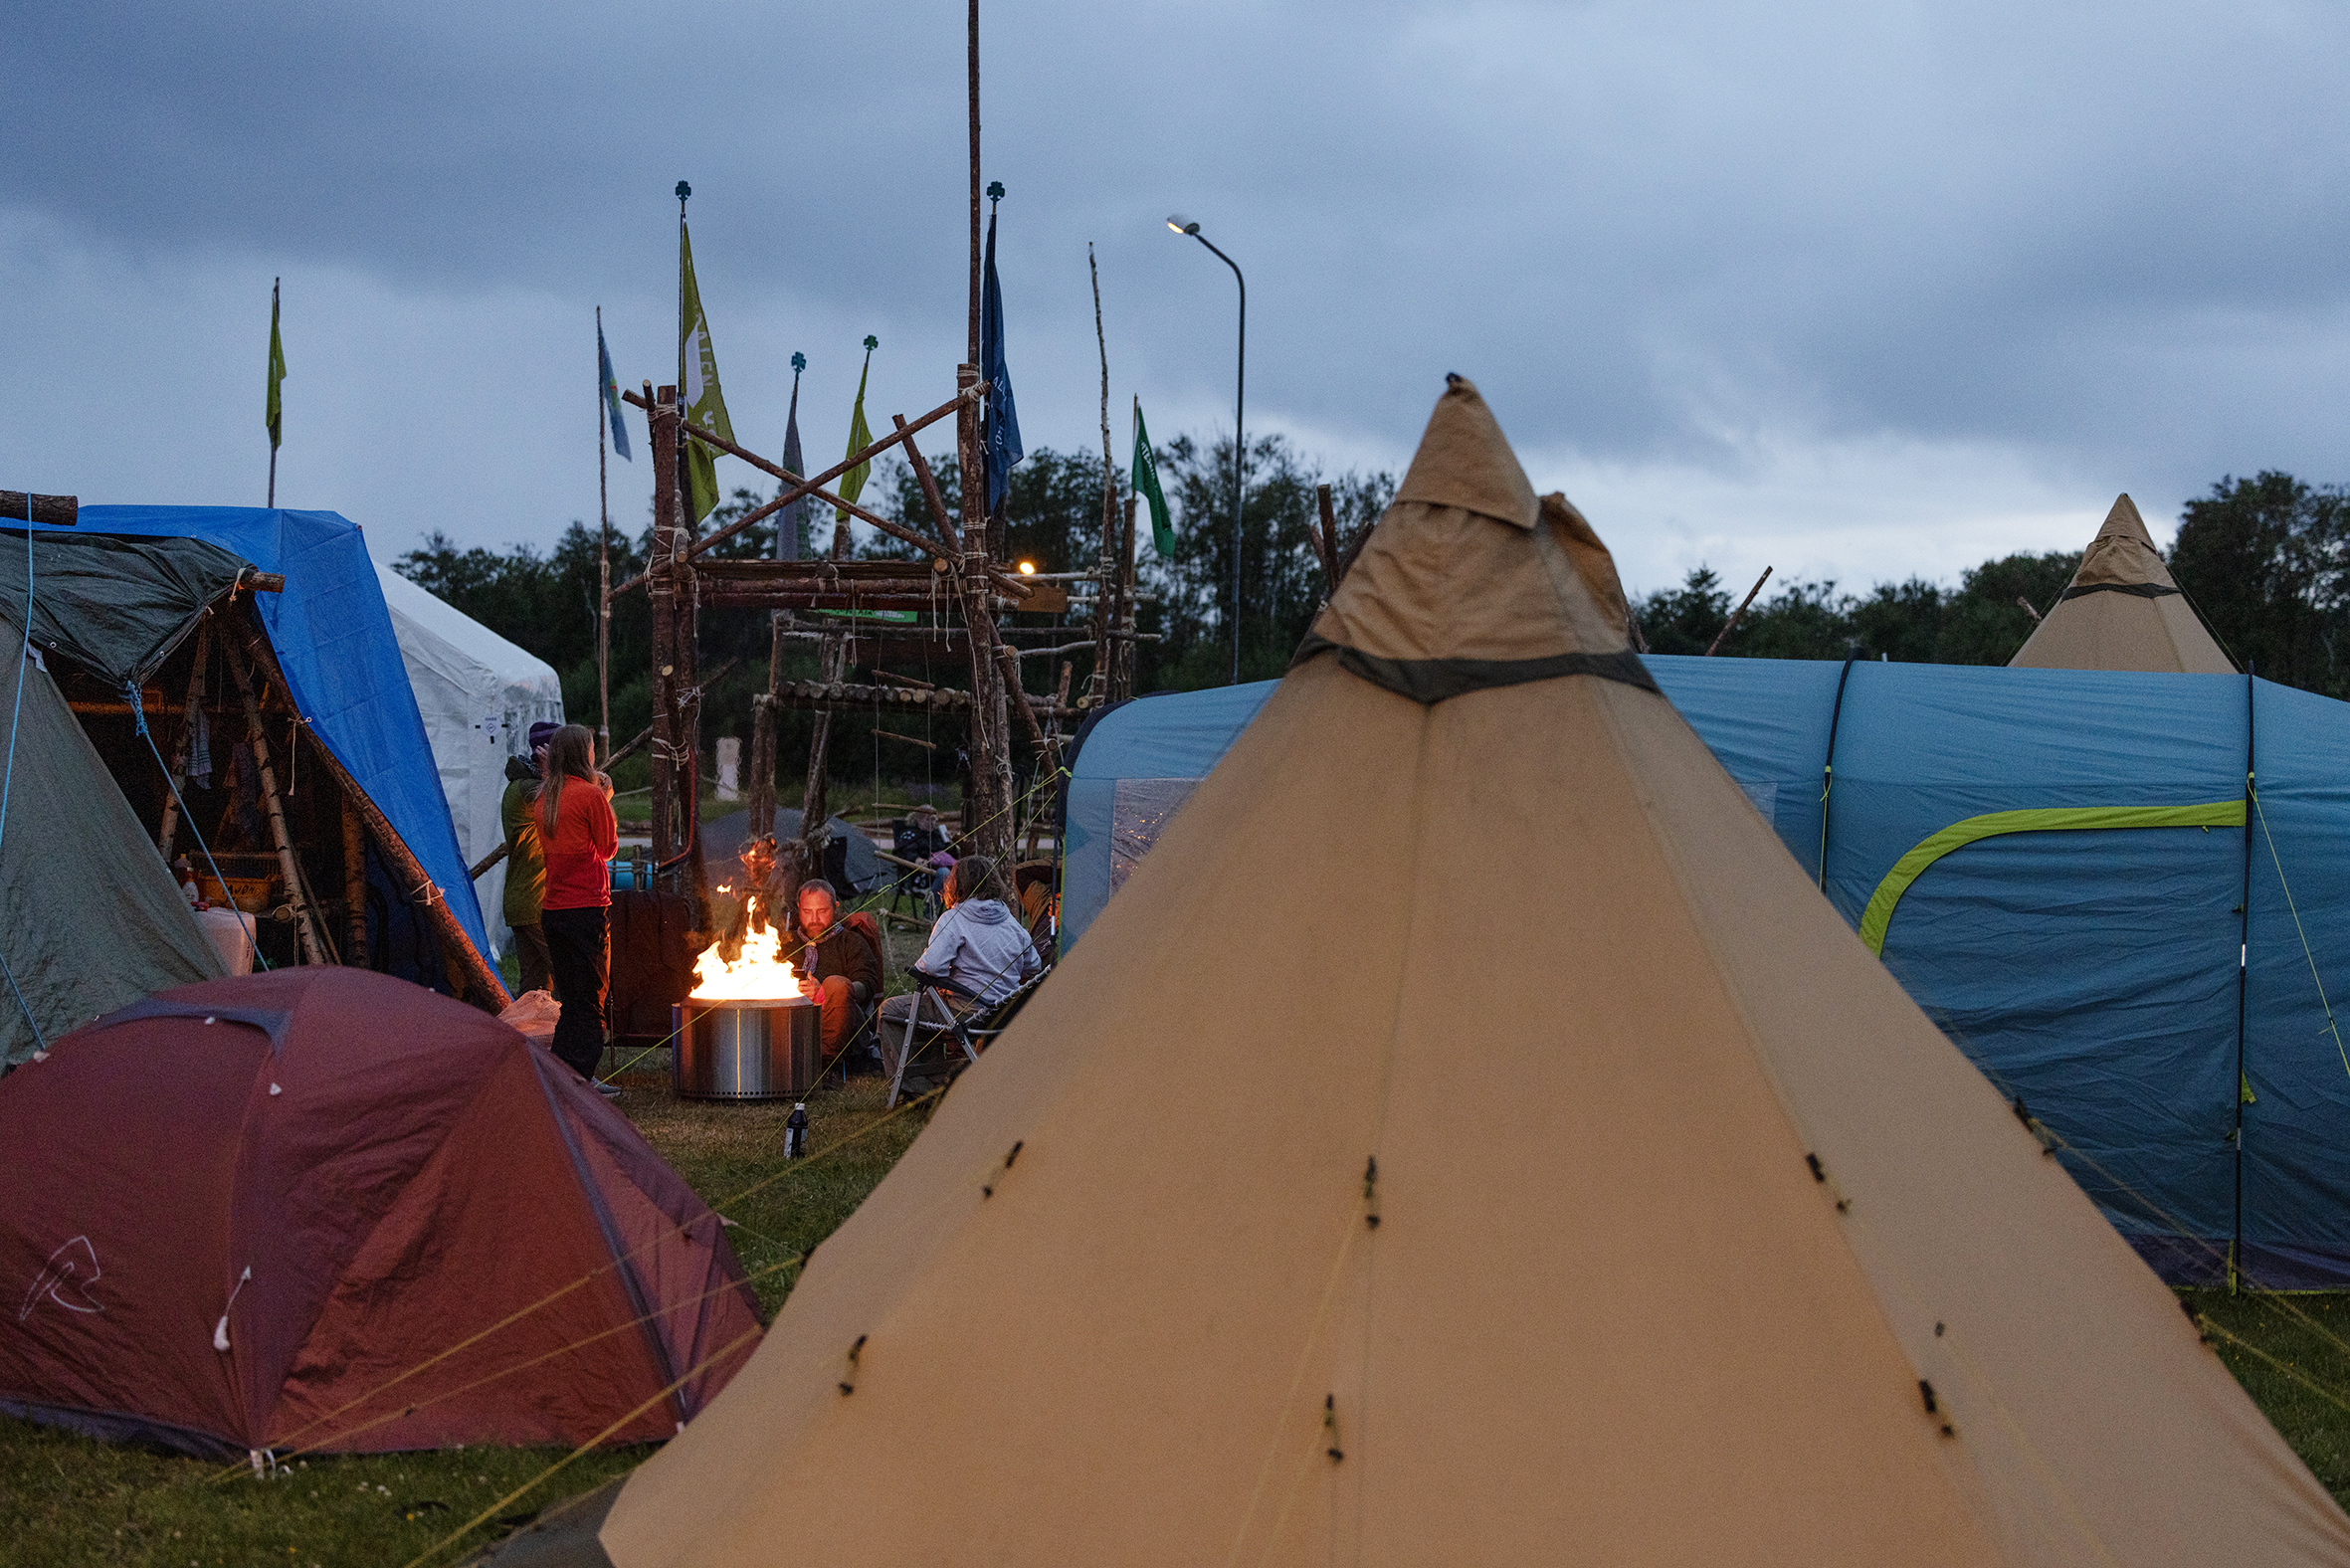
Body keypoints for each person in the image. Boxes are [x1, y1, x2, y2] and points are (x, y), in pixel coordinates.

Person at [881, 856, 1041, 1078]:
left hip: (967, 1012)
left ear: (954, 884)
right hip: (1005, 1012)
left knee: (892, 1010)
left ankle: (919, 1084)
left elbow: (930, 967)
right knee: (931, 1003)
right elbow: (1034, 966)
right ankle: (938, 1076)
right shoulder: (1010, 921)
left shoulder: (954, 918)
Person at [535, 724, 618, 1093]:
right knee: (590, 995)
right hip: (586, 908)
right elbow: (608, 847)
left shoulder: (545, 798)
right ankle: (581, 1078)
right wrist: (606, 797)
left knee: (569, 996)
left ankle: (564, 1071)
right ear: (585, 754)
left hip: (554, 909)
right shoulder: (589, 795)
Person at [781, 879, 883, 1057]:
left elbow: (866, 986)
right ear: (798, 908)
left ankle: (825, 1064)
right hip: (787, 1022)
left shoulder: (851, 942)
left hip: (844, 1024)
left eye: (822, 911)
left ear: (835, 907)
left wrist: (825, 993)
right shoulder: (782, 943)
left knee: (836, 984)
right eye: (807, 911)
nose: (814, 919)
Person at [500, 720, 559, 996]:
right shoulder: (527, 789)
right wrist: (552, 772)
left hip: (525, 899)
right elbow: (566, 806)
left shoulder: (526, 784)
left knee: (534, 989)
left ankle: (530, 1037)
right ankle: (575, 1036)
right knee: (567, 975)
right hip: (534, 900)